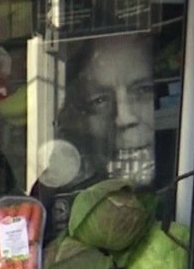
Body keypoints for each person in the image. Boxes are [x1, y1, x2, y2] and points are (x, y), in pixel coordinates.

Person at [56, 33, 156, 190]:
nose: (124, 118)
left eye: (144, 90)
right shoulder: (54, 197)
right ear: (77, 121)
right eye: (100, 101)